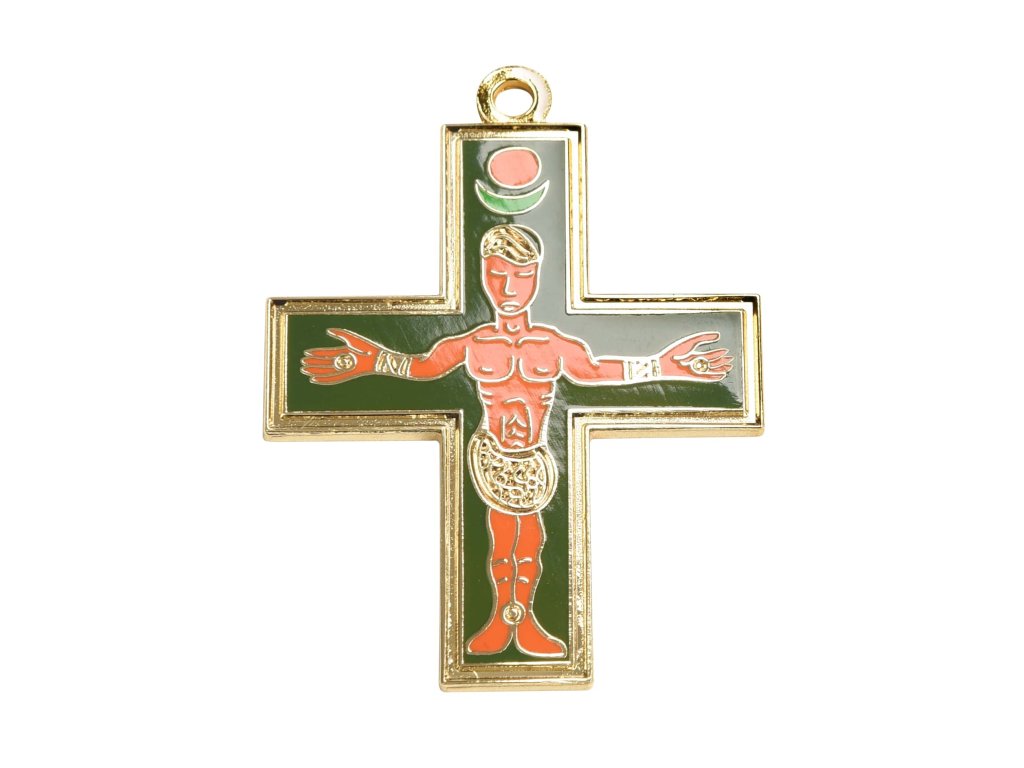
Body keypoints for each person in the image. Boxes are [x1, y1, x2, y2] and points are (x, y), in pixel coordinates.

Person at [300, 224, 732, 657]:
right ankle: (498, 621)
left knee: (531, 542)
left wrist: (663, 367)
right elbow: (424, 367)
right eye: (496, 274)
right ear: (483, 275)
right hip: (492, 458)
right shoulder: (471, 343)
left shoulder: (555, 345)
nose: (508, 288)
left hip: (535, 460)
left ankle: (525, 622)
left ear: (537, 276)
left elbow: (596, 371)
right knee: (500, 540)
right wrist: (373, 361)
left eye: (522, 275)